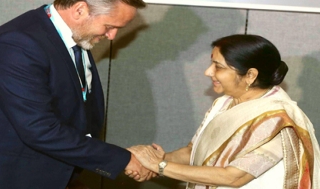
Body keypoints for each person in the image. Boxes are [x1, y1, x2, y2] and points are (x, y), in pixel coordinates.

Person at [0, 0, 151, 189]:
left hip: (54, 173)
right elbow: (39, 129)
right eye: (109, 26)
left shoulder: (75, 37)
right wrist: (121, 159)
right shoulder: (17, 45)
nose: (111, 36)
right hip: (11, 177)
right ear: (80, 10)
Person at [127, 34, 320, 188]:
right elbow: (193, 151)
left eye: (218, 67)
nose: (208, 72)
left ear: (250, 75)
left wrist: (159, 166)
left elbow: (234, 177)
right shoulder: (223, 103)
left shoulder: (278, 118)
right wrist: (159, 158)